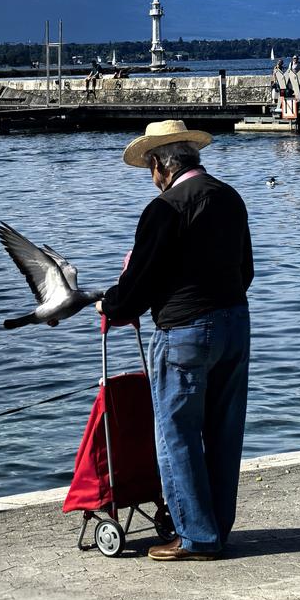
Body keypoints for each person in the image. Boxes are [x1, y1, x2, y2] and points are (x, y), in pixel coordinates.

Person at [96, 119, 253, 561]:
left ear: (162, 166)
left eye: (151, 168)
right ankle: (217, 527)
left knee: (176, 434)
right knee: (224, 433)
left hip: (185, 330)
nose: (151, 178)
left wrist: (110, 306)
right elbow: (246, 272)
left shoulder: (163, 209)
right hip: (235, 324)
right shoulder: (229, 197)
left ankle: (196, 536)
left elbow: (138, 285)